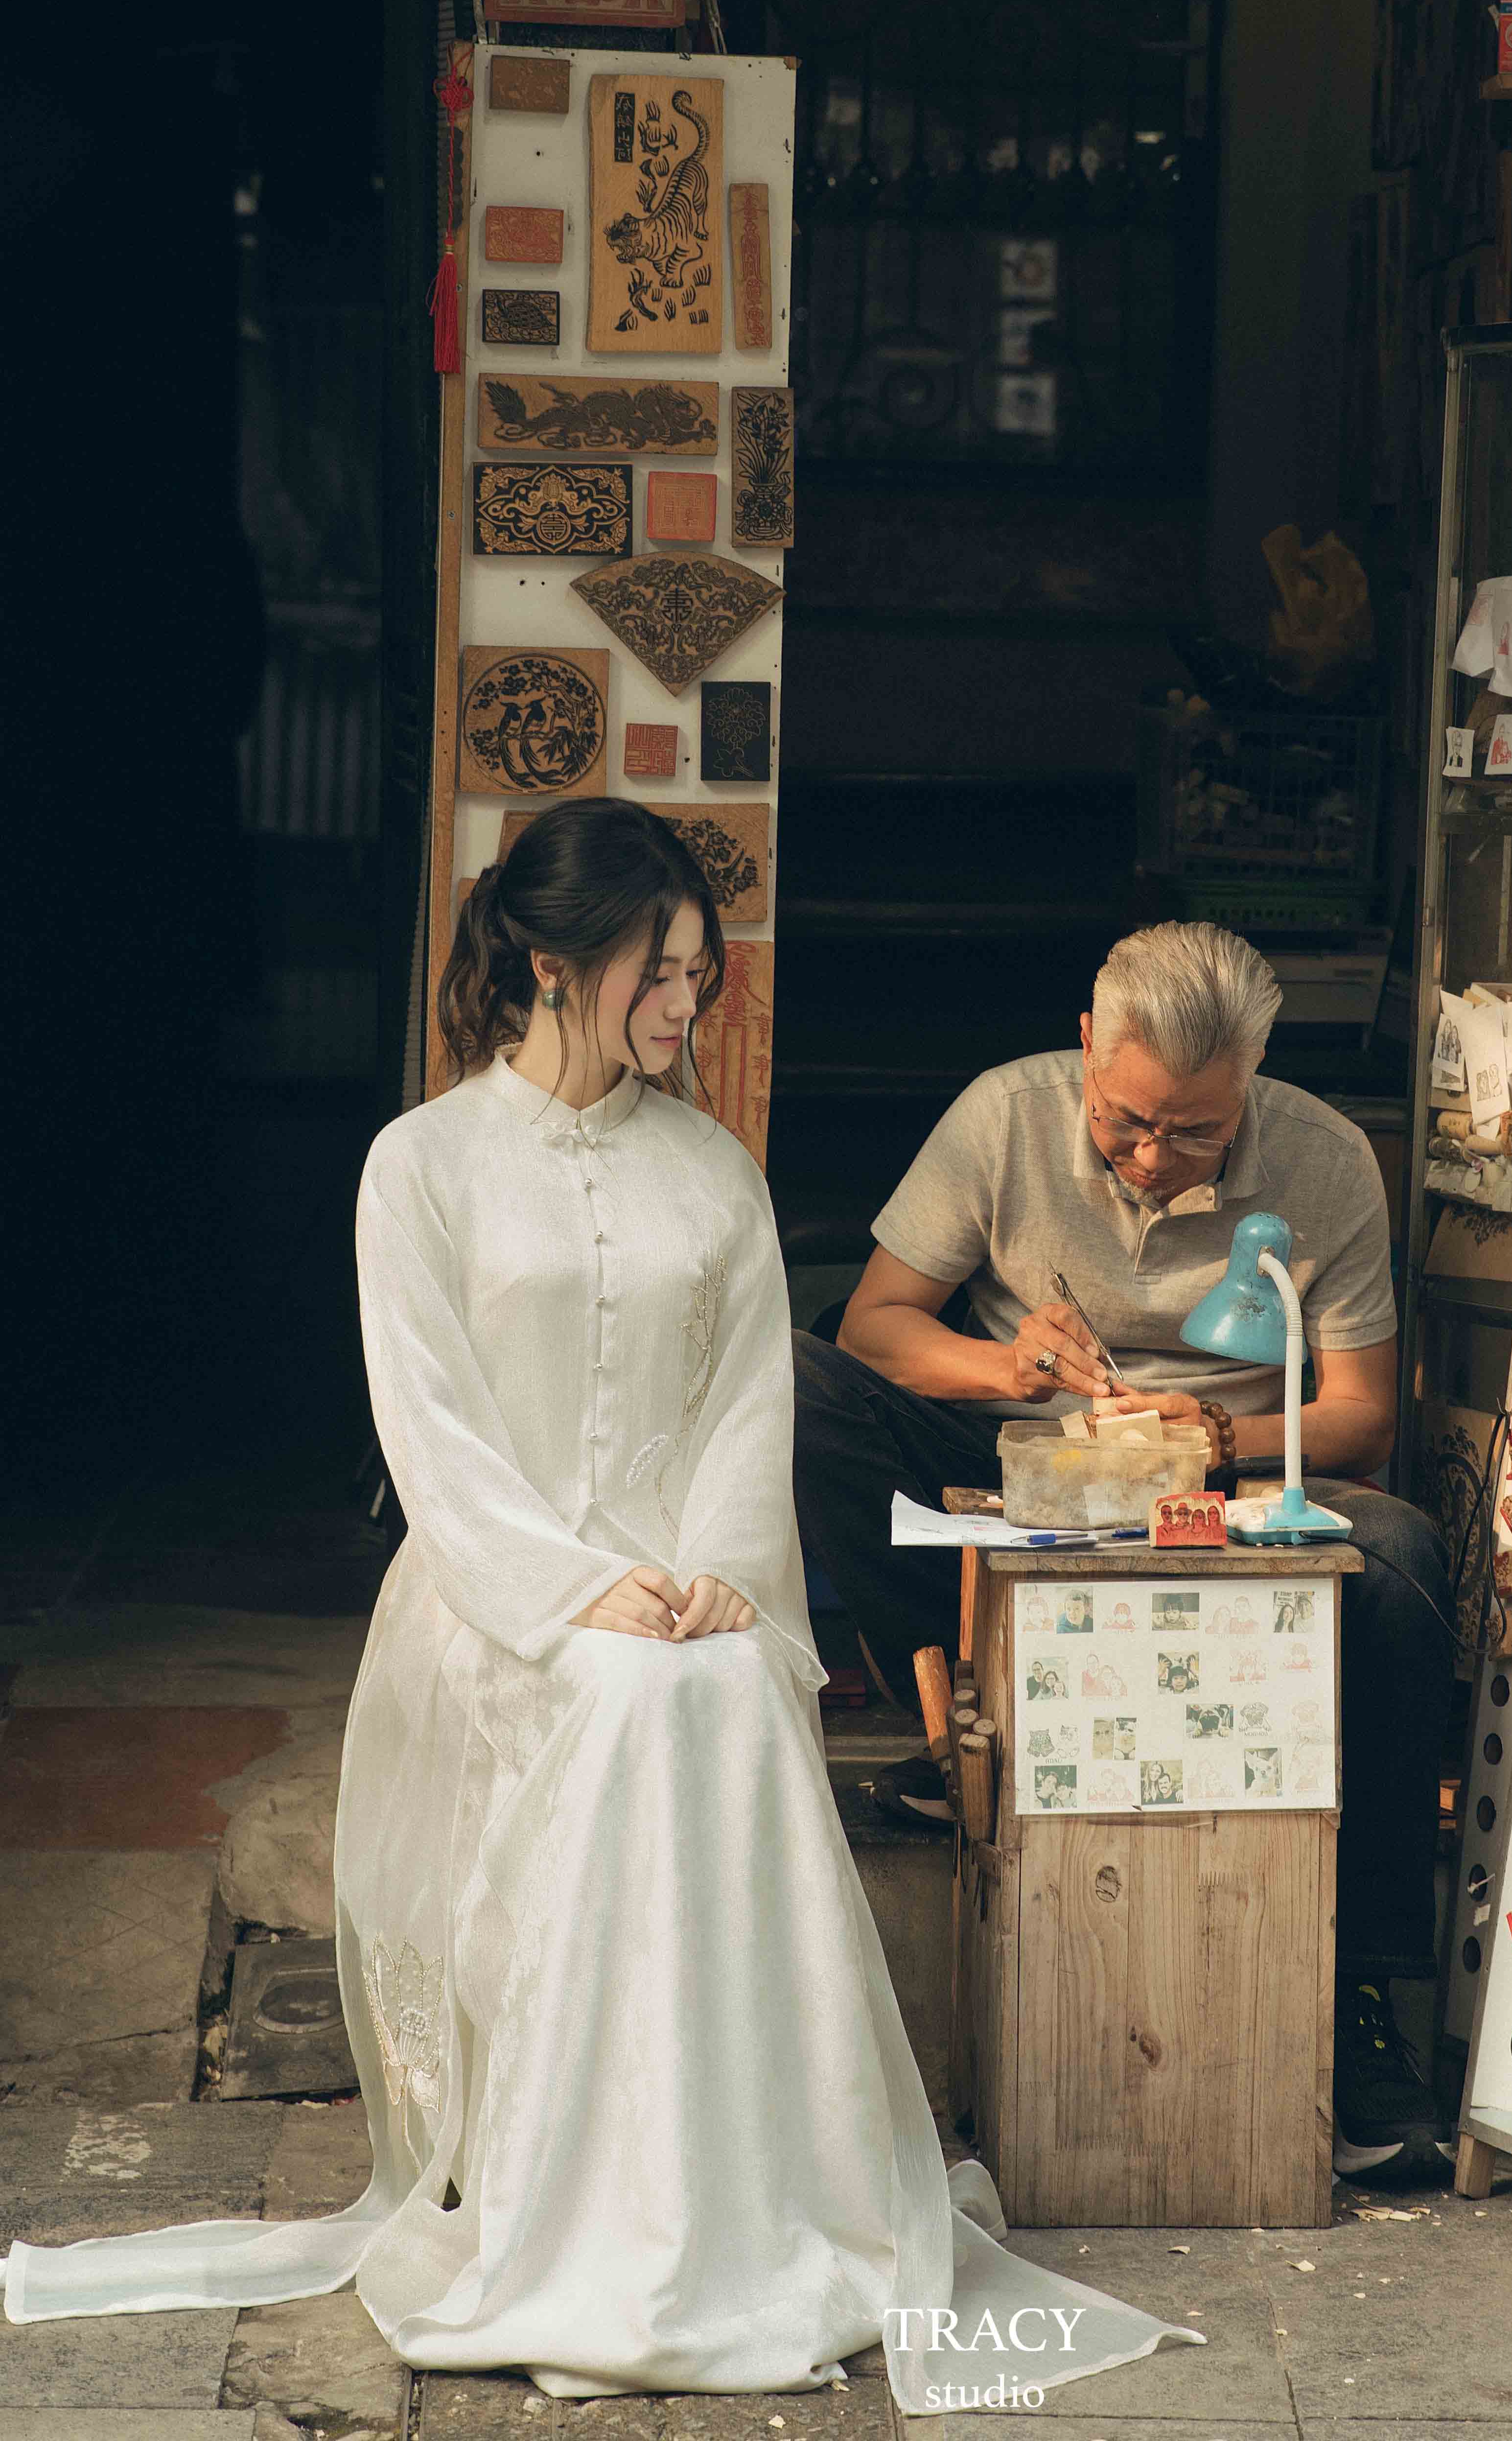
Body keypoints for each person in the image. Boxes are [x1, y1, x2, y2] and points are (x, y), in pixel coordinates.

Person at [3, 800, 1200, 2412]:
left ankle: (736, 2204)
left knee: (717, 1688)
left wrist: (716, 1574)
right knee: (629, 1694)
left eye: (701, 976)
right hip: (492, 1595)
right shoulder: (420, 1165)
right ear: (557, 964)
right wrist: (575, 1587)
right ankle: (585, 2221)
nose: (686, 1005)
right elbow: (431, 1428)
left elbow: (745, 1406)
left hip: (694, 1588)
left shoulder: (712, 1171)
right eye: (662, 970)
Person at [793, 921, 1455, 2181]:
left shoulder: (1321, 1159)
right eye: (1126, 1121)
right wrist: (1005, 1366)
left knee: (1398, 1558)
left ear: (1251, 1079)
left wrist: (1217, 1436)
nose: (1152, 1158)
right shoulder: (1004, 1116)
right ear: (1088, 1043)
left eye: (1196, 1132)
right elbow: (874, 1328)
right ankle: (963, 1726)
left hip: (1231, 1484)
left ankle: (1362, 2006)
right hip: (1026, 1469)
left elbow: (1362, 1414)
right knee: (797, 1391)